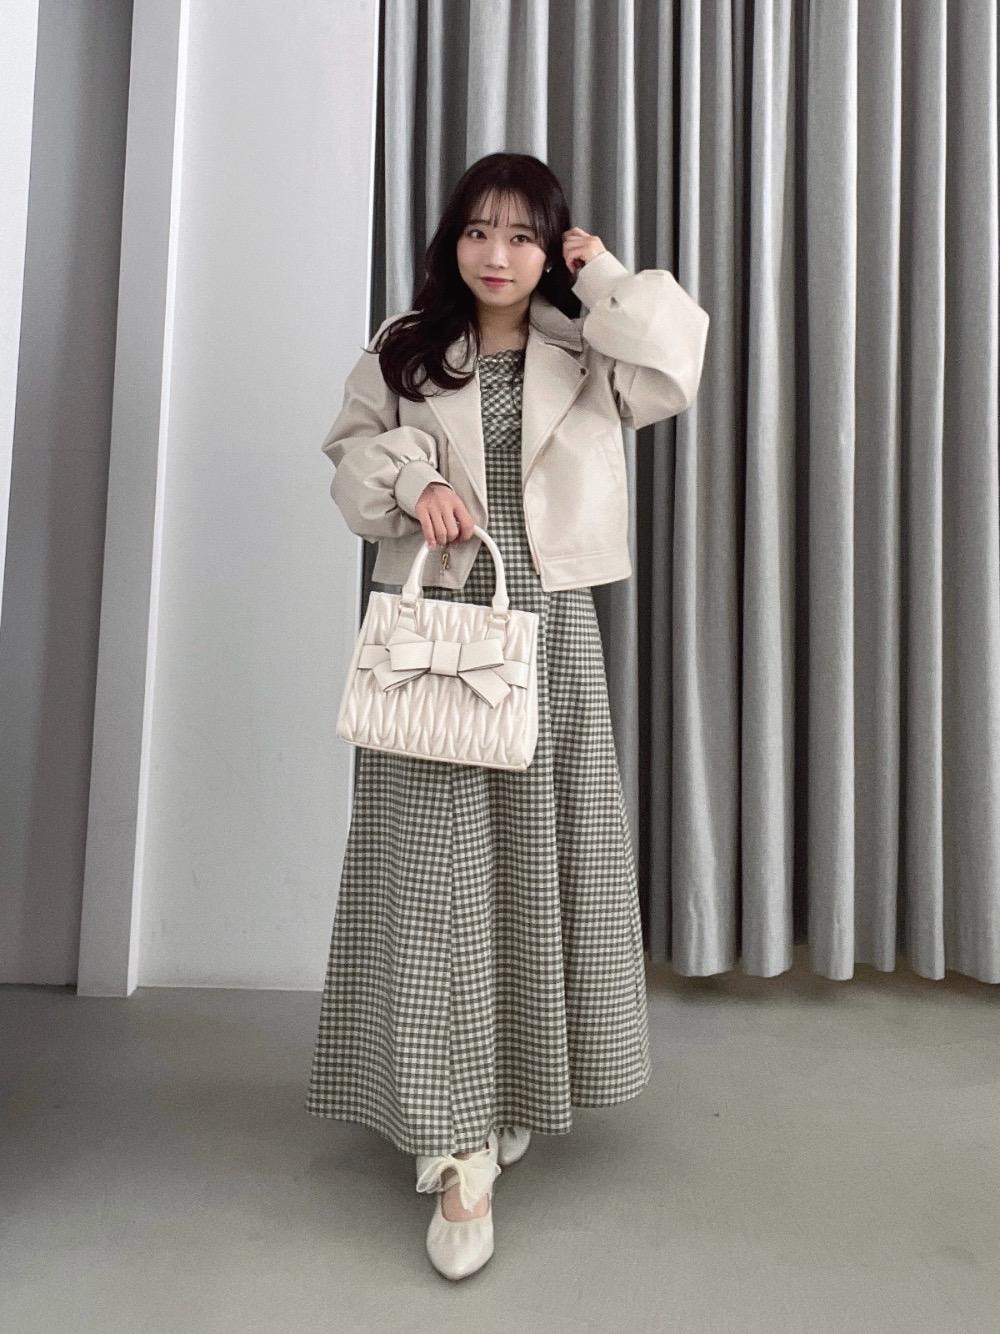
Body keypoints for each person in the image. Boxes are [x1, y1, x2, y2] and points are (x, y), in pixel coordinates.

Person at [305, 151, 710, 1281]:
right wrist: (413, 480)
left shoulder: (589, 345)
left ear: (551, 250)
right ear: (452, 240)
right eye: (479, 231)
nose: (498, 255)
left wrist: (605, 273)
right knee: (433, 876)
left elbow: (675, 361)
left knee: (537, 864)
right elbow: (346, 461)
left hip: (553, 624)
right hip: (437, 623)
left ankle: (515, 1086)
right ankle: (455, 1145)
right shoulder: (405, 345)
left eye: (524, 236)